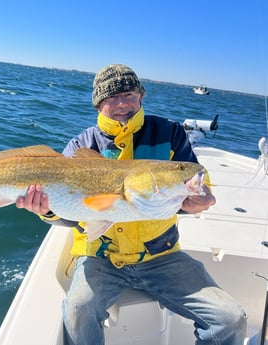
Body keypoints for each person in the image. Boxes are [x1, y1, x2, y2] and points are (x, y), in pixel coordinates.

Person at [16, 64, 247, 344]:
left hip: (161, 255)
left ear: (141, 97)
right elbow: (71, 213)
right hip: (99, 256)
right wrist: (48, 210)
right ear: (98, 104)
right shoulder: (81, 146)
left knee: (230, 319)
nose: (122, 103)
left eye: (129, 94)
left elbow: (193, 181)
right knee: (77, 310)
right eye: (112, 97)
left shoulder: (170, 133)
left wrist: (195, 202)